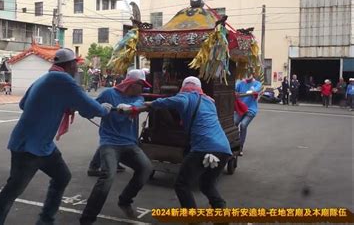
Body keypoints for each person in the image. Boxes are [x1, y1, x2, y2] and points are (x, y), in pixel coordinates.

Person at [0, 48, 111, 225]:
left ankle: (45, 220)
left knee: (62, 176)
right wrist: (106, 109)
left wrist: (57, 104)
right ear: (70, 65)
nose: (77, 67)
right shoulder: (63, 80)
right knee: (12, 191)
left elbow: (23, 104)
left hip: (42, 145)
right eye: (76, 64)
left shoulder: (45, 78)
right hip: (29, 147)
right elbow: (91, 108)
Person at [145, 77, 232, 210]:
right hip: (223, 149)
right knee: (207, 185)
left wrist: (148, 104)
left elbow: (167, 102)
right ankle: (221, 211)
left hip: (203, 148)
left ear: (184, 87)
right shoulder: (209, 101)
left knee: (181, 184)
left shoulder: (186, 97)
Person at [80, 69, 153, 224]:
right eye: (142, 85)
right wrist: (97, 110)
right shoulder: (108, 94)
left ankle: (125, 200)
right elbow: (88, 109)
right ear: (132, 84)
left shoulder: (138, 97)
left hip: (130, 144)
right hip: (110, 143)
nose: (144, 89)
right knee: (107, 177)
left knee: (146, 168)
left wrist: (130, 108)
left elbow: (139, 105)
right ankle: (87, 219)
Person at [234, 73, 262, 155]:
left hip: (251, 110)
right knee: (234, 123)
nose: (247, 76)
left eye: (249, 74)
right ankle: (234, 143)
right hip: (240, 109)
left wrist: (253, 90)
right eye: (245, 74)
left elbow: (256, 89)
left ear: (252, 74)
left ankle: (240, 146)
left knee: (243, 125)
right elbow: (234, 88)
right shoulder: (241, 83)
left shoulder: (257, 83)